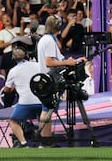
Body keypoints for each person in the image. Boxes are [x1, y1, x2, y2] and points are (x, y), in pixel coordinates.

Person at [36, 15, 83, 145]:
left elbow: (58, 60)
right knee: (46, 110)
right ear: (58, 27)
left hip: (48, 79)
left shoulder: (46, 39)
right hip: (49, 80)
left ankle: (46, 139)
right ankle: (45, 141)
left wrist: (75, 61)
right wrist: (68, 62)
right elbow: (49, 62)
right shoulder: (49, 41)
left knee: (47, 111)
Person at [4, 46, 41, 148]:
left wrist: (14, 86)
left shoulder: (13, 71)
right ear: (26, 55)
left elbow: (6, 89)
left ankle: (24, 144)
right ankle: (43, 144)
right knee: (43, 121)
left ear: (13, 58)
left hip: (26, 103)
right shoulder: (37, 65)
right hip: (40, 101)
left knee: (13, 121)